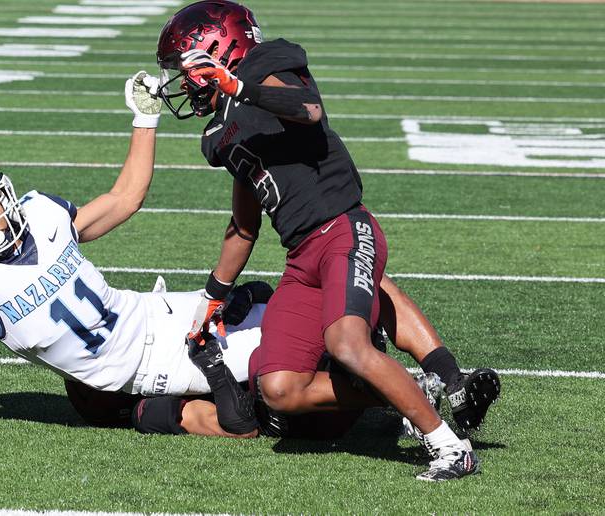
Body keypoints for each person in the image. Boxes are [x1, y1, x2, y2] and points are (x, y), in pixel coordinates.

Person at [155, 0, 499, 481]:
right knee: (277, 387)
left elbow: (307, 110)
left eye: (183, 66)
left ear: (215, 48)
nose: (182, 82)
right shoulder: (219, 130)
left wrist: (238, 86)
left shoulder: (266, 63)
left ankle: (449, 446)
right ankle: (419, 388)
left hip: (342, 227)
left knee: (346, 343)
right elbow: (244, 226)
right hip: (300, 256)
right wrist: (214, 297)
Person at [0, 71, 262, 436]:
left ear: (7, 200)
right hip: (150, 367)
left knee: (270, 304)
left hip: (156, 312)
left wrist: (144, 119)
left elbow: (126, 198)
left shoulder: (43, 215)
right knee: (282, 370)